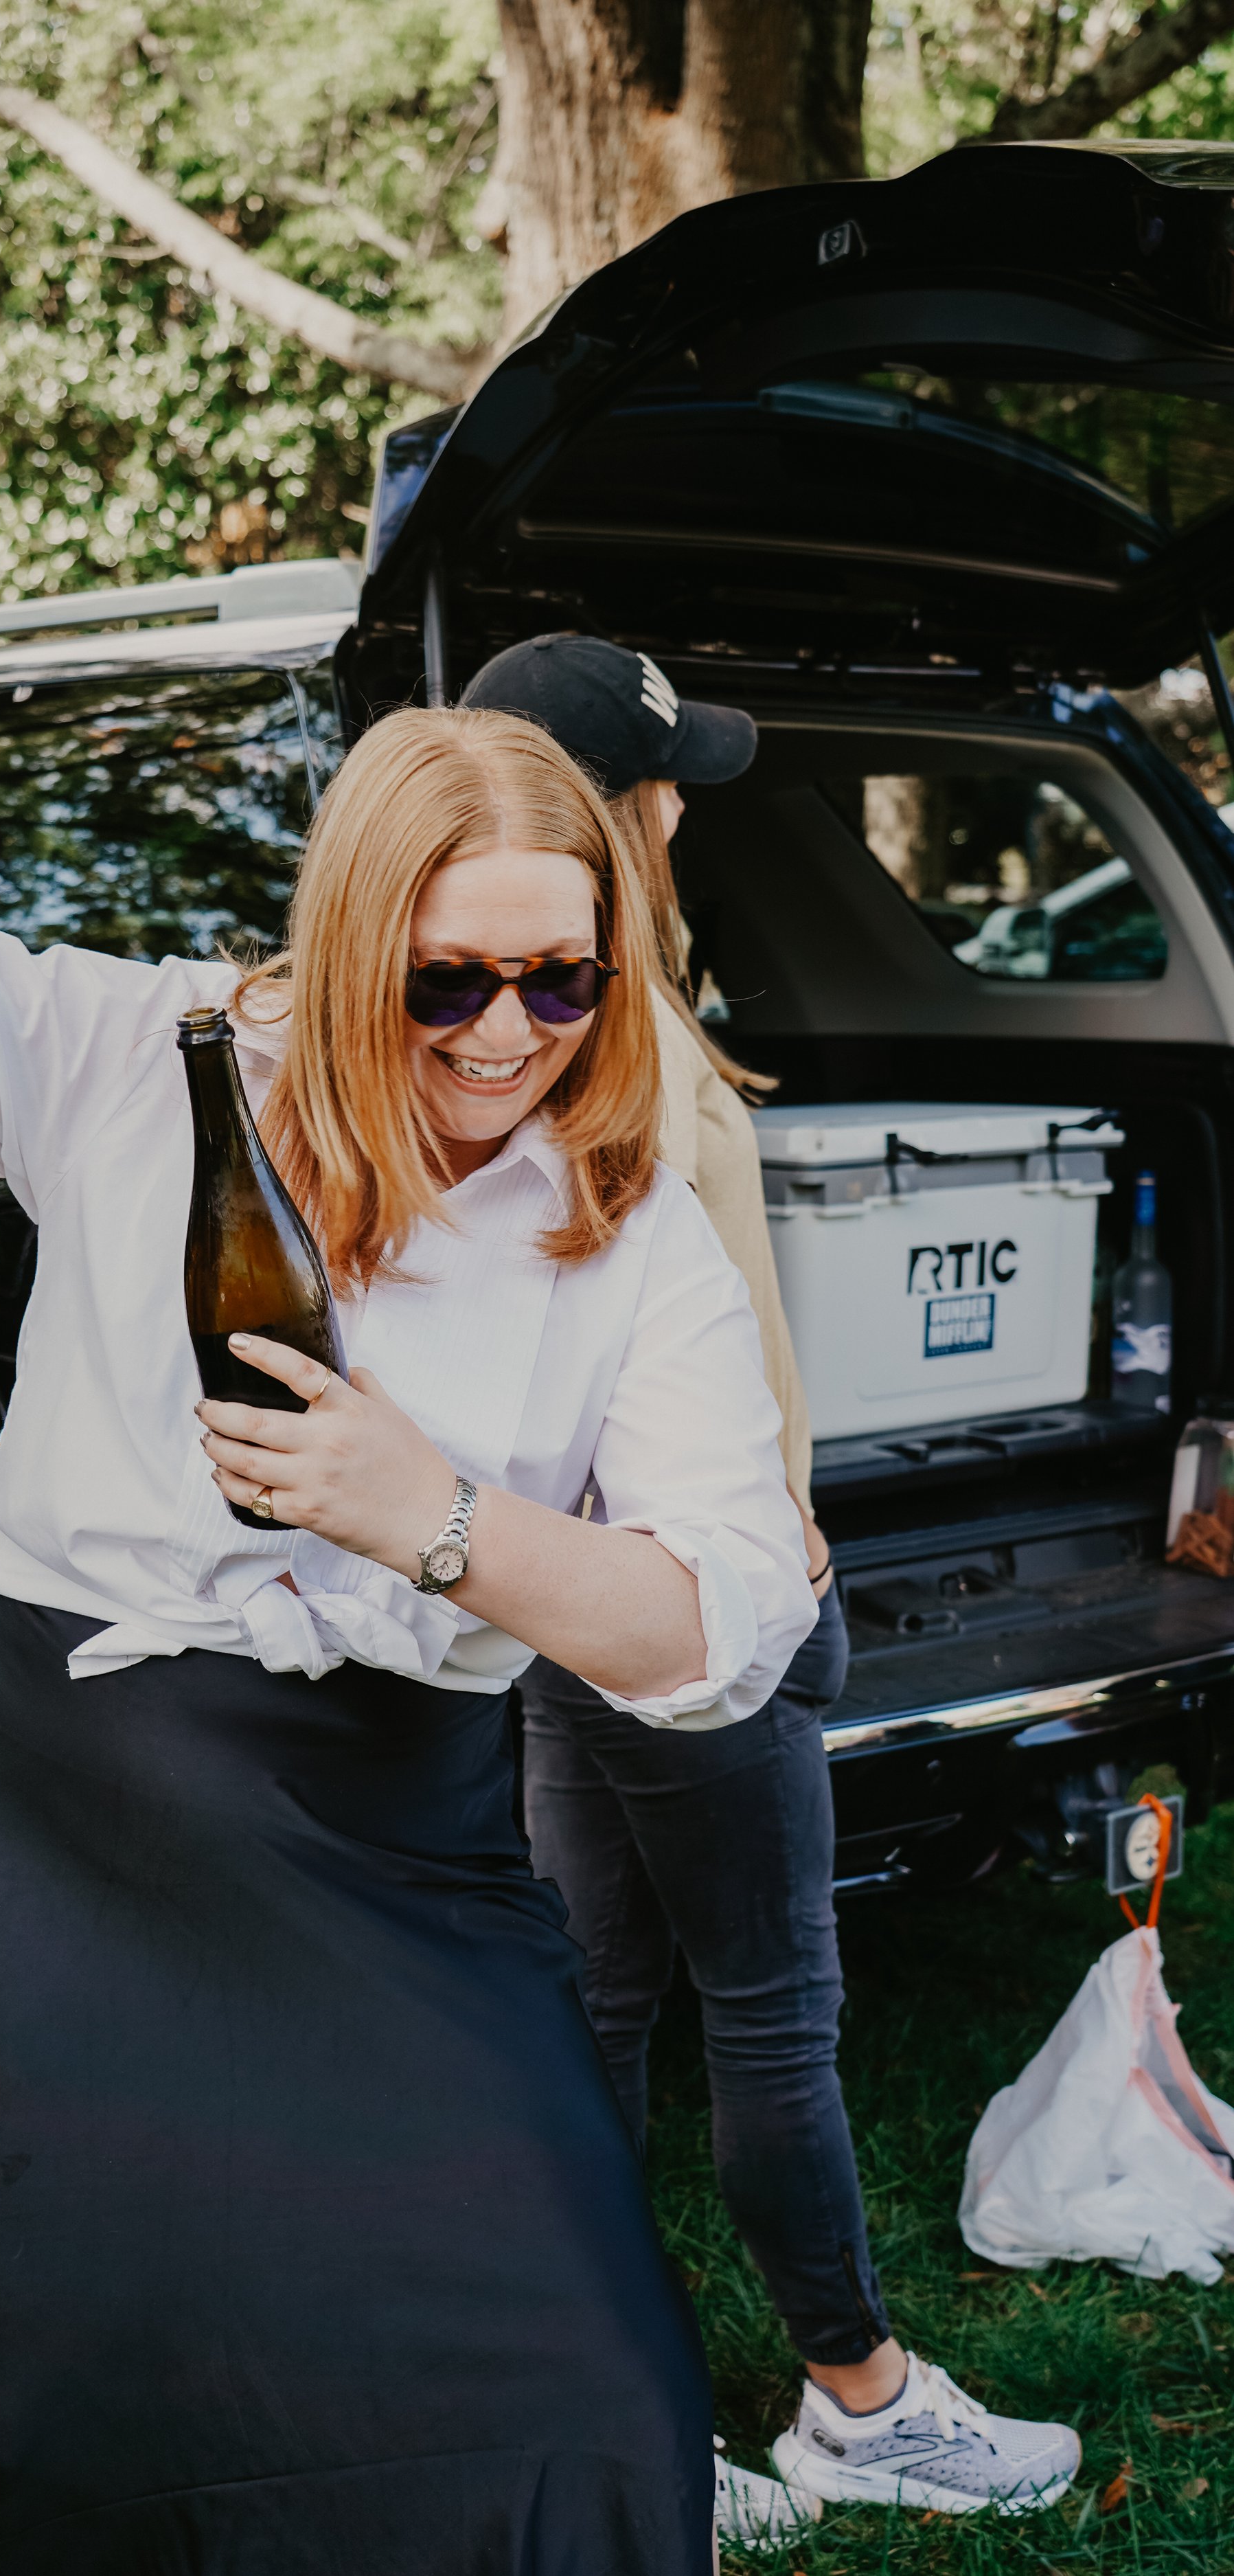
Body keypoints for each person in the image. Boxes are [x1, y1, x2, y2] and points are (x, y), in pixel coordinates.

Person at [0, 431, 824, 2574]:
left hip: (401, 1843)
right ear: (351, 934)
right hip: (70, 1824)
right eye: (449, 980)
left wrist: (441, 1518)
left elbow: (718, 1622)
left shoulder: (625, 1212)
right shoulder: (140, 1064)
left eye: (561, 978)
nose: (506, 1036)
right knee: (82, 2440)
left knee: (584, 2407)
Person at [461, 635, 1084, 2537]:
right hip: (682, 1619)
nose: (681, 804)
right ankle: (855, 2398)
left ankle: (581, 2392)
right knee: (766, 2013)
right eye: (661, 779)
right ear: (603, 806)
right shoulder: (578, 1036)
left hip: (628, 1601)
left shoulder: (587, 1007)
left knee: (601, 2004)